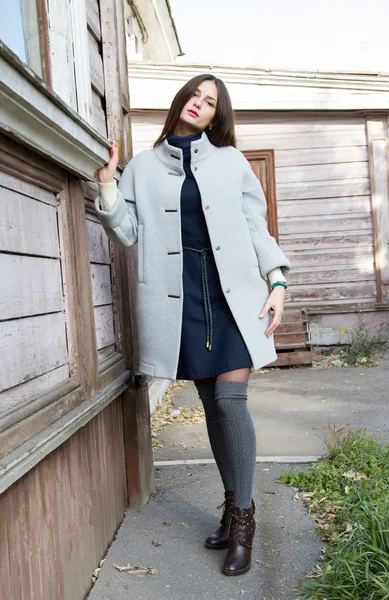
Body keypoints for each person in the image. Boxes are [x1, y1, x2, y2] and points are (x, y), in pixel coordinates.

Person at [95, 74, 290, 576]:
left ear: (216, 115)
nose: (199, 105)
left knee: (230, 401)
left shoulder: (230, 162)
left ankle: (243, 521)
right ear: (180, 102)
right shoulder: (143, 166)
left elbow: (255, 226)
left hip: (234, 294)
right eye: (194, 96)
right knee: (212, 407)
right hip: (181, 298)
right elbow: (128, 232)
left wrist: (277, 282)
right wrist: (108, 187)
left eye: (210, 102)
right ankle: (232, 506)